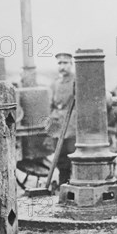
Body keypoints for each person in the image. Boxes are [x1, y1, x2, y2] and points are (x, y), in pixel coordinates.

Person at [47, 52, 77, 186]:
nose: (62, 66)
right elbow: (51, 105)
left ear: (71, 64)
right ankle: (62, 183)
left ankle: (74, 182)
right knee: (59, 157)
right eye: (60, 63)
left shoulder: (76, 81)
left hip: (72, 124)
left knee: (72, 154)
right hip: (57, 124)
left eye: (65, 63)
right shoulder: (55, 83)